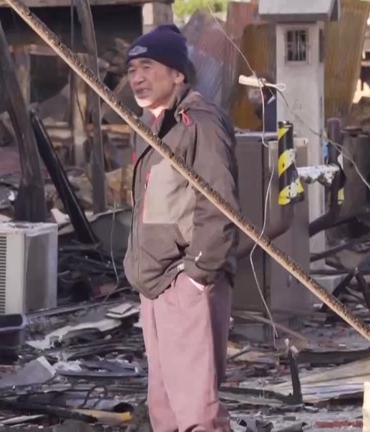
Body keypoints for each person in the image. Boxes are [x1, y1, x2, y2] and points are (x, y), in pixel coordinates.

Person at [123, 24, 239, 432]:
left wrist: (196, 277)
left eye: (148, 66)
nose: (137, 76)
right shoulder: (151, 128)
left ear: (177, 74)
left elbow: (219, 206)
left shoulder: (197, 123)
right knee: (166, 410)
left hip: (183, 282)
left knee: (197, 412)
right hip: (155, 285)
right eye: (133, 68)